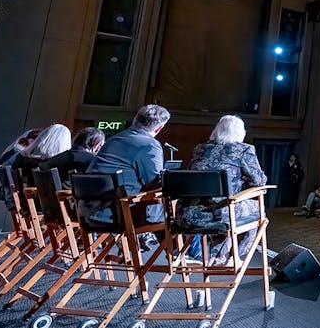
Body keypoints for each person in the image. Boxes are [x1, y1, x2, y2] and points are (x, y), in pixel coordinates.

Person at [185, 115, 268, 264]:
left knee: (230, 208)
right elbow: (259, 181)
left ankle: (218, 255)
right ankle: (234, 256)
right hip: (220, 214)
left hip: (189, 215)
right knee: (257, 209)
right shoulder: (243, 150)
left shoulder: (200, 149)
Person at [87, 104, 170, 230]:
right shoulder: (150, 145)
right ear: (159, 129)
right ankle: (184, 249)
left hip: (88, 211)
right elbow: (156, 182)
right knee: (175, 209)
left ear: (135, 119)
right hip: (119, 214)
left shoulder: (113, 139)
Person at [39, 126, 105, 181]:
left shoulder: (58, 157)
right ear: (97, 145)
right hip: (73, 196)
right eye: (101, 146)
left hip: (53, 195)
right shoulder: (93, 161)